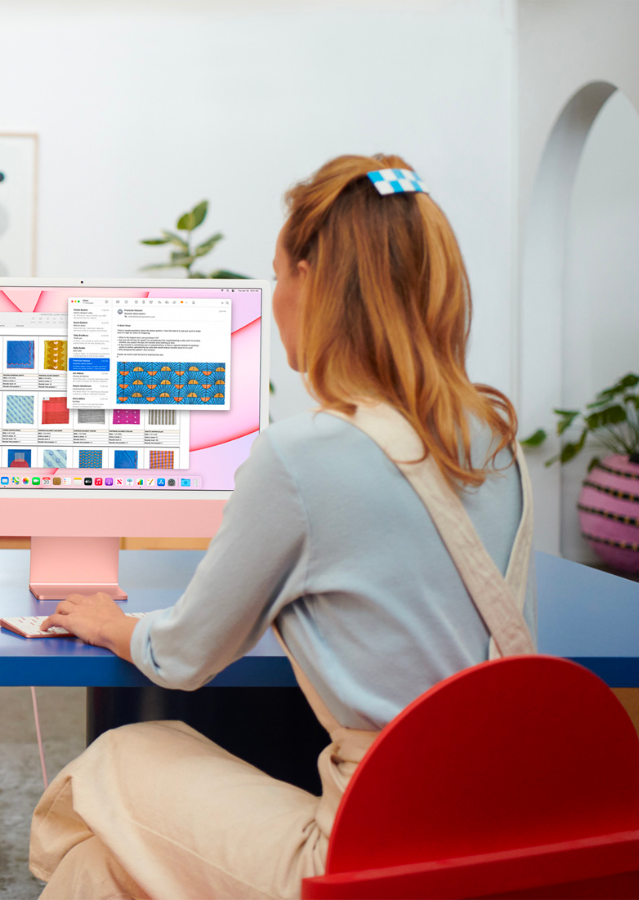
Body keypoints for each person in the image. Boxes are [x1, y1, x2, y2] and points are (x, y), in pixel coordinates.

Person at [28, 154, 534, 899]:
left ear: (314, 284)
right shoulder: (498, 439)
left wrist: (112, 623)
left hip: (363, 854)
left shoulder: (304, 456)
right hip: (501, 841)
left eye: (278, 274)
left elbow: (186, 655)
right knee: (98, 870)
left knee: (118, 760)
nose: (274, 298)